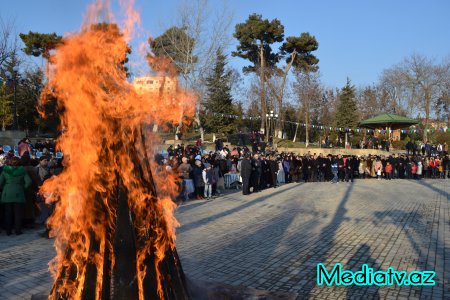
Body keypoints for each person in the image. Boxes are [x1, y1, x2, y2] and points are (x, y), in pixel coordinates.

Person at [0, 156, 32, 235]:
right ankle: (18, 231)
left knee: (8, 213)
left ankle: (8, 231)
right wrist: (22, 188)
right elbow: (29, 182)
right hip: (18, 193)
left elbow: (0, 183)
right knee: (18, 213)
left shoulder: (5, 171)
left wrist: (4, 188)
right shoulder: (22, 170)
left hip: (7, 193)